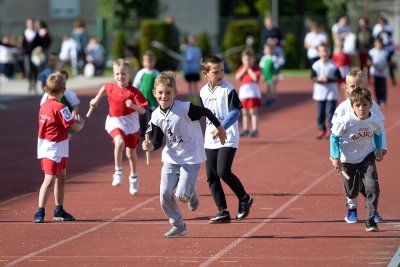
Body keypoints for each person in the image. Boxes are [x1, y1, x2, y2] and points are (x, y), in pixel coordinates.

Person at [142, 71, 226, 238]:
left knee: (181, 195)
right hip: (171, 158)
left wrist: (219, 127)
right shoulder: (156, 115)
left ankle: (190, 193)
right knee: (165, 194)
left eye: (167, 93)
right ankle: (178, 225)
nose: (164, 96)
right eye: (160, 93)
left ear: (175, 93)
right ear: (154, 93)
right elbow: (158, 141)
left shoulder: (184, 108)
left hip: (191, 156)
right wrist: (150, 146)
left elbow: (206, 112)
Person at [200, 54, 253, 223]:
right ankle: (222, 211)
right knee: (211, 176)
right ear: (205, 74)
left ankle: (244, 198)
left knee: (223, 171)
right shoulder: (202, 92)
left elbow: (235, 111)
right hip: (210, 138)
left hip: (228, 136)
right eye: (216, 72)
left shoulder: (228, 89)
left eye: (222, 70)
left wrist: (222, 127)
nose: (220, 74)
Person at [331, 70, 386, 223]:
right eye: (352, 86)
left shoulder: (372, 105)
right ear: (346, 88)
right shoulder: (342, 109)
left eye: (359, 85)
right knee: (351, 186)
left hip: (367, 151)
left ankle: (372, 212)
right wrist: (335, 155)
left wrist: (381, 147)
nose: (356, 88)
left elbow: (379, 127)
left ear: (366, 85)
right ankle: (352, 209)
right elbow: (334, 135)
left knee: (371, 183)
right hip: (347, 154)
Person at [89, 59, 148, 195]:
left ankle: (133, 177)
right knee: (119, 142)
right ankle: (118, 172)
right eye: (117, 74)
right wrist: (96, 99)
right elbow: (104, 87)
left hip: (130, 124)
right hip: (114, 121)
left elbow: (143, 110)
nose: (120, 77)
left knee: (130, 153)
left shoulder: (134, 92)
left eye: (123, 74)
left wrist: (132, 106)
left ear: (129, 75)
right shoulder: (111, 87)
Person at [34, 72, 85, 223]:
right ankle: (40, 211)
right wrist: (81, 123)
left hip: (55, 145)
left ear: (45, 89)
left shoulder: (43, 107)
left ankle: (59, 209)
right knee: (49, 179)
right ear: (63, 90)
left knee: (61, 178)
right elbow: (74, 128)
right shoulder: (61, 108)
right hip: (54, 147)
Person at [311, 44, 341, 139]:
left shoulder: (333, 65)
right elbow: (312, 77)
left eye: (326, 51)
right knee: (320, 113)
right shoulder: (315, 65)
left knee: (331, 113)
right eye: (322, 51)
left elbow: (338, 77)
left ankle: (331, 130)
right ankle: (321, 129)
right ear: (319, 53)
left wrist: (328, 79)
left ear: (329, 52)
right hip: (320, 93)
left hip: (331, 93)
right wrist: (318, 79)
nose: (324, 53)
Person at [40, 70, 80, 135]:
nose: (59, 80)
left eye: (62, 79)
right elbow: (42, 107)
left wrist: (72, 118)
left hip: (65, 123)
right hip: (53, 128)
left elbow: (75, 105)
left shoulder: (69, 94)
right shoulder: (47, 97)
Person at [235, 48, 261, 137]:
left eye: (249, 59)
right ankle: (246, 129)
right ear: (242, 60)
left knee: (253, 111)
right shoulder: (241, 68)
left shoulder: (255, 68)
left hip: (252, 93)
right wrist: (244, 69)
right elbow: (237, 77)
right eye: (246, 59)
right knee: (245, 112)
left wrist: (249, 69)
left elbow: (255, 78)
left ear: (253, 59)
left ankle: (255, 129)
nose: (247, 61)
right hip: (244, 93)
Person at [133, 51, 160, 138]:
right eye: (147, 61)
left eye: (151, 61)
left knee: (152, 116)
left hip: (152, 99)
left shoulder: (156, 73)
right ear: (143, 62)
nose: (149, 63)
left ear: (154, 62)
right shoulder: (141, 73)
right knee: (142, 116)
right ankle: (142, 132)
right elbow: (135, 85)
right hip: (142, 100)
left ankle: (151, 132)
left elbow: (160, 85)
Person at [372, 14, 395, 86]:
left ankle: (392, 79)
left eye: (382, 20)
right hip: (380, 48)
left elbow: (390, 34)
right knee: (379, 62)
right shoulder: (376, 27)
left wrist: (384, 29)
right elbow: (374, 36)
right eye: (379, 20)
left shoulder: (388, 26)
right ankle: (377, 78)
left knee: (390, 64)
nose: (380, 21)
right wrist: (380, 31)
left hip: (388, 48)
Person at [22, 18, 42, 93]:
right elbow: (23, 44)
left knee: (35, 70)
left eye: (31, 23)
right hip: (27, 54)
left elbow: (40, 43)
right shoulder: (25, 33)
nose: (30, 25)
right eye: (29, 23)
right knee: (28, 70)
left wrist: (39, 48)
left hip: (35, 55)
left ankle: (35, 84)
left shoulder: (37, 33)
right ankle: (30, 83)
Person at [182, 34, 203, 104]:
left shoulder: (198, 50)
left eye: (194, 40)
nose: (192, 41)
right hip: (188, 70)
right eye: (191, 40)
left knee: (195, 83)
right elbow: (184, 59)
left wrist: (200, 67)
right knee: (189, 83)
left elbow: (199, 59)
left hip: (195, 69)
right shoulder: (186, 49)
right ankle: (190, 95)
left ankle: (196, 95)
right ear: (189, 41)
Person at [368, 37, 388, 108]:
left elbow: (387, 61)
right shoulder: (371, 52)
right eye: (377, 43)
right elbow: (369, 61)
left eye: (380, 43)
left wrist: (383, 68)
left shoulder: (385, 52)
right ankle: (378, 99)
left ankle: (383, 99)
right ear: (375, 43)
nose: (378, 44)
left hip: (383, 72)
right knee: (376, 86)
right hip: (375, 72)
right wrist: (376, 67)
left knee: (383, 86)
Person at [356, 17, 373, 83]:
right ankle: (361, 78)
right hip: (361, 50)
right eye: (361, 22)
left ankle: (369, 78)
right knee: (361, 65)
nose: (362, 24)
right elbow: (357, 40)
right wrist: (357, 48)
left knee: (368, 64)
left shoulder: (370, 30)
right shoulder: (358, 30)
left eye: (363, 22)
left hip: (368, 50)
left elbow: (372, 40)